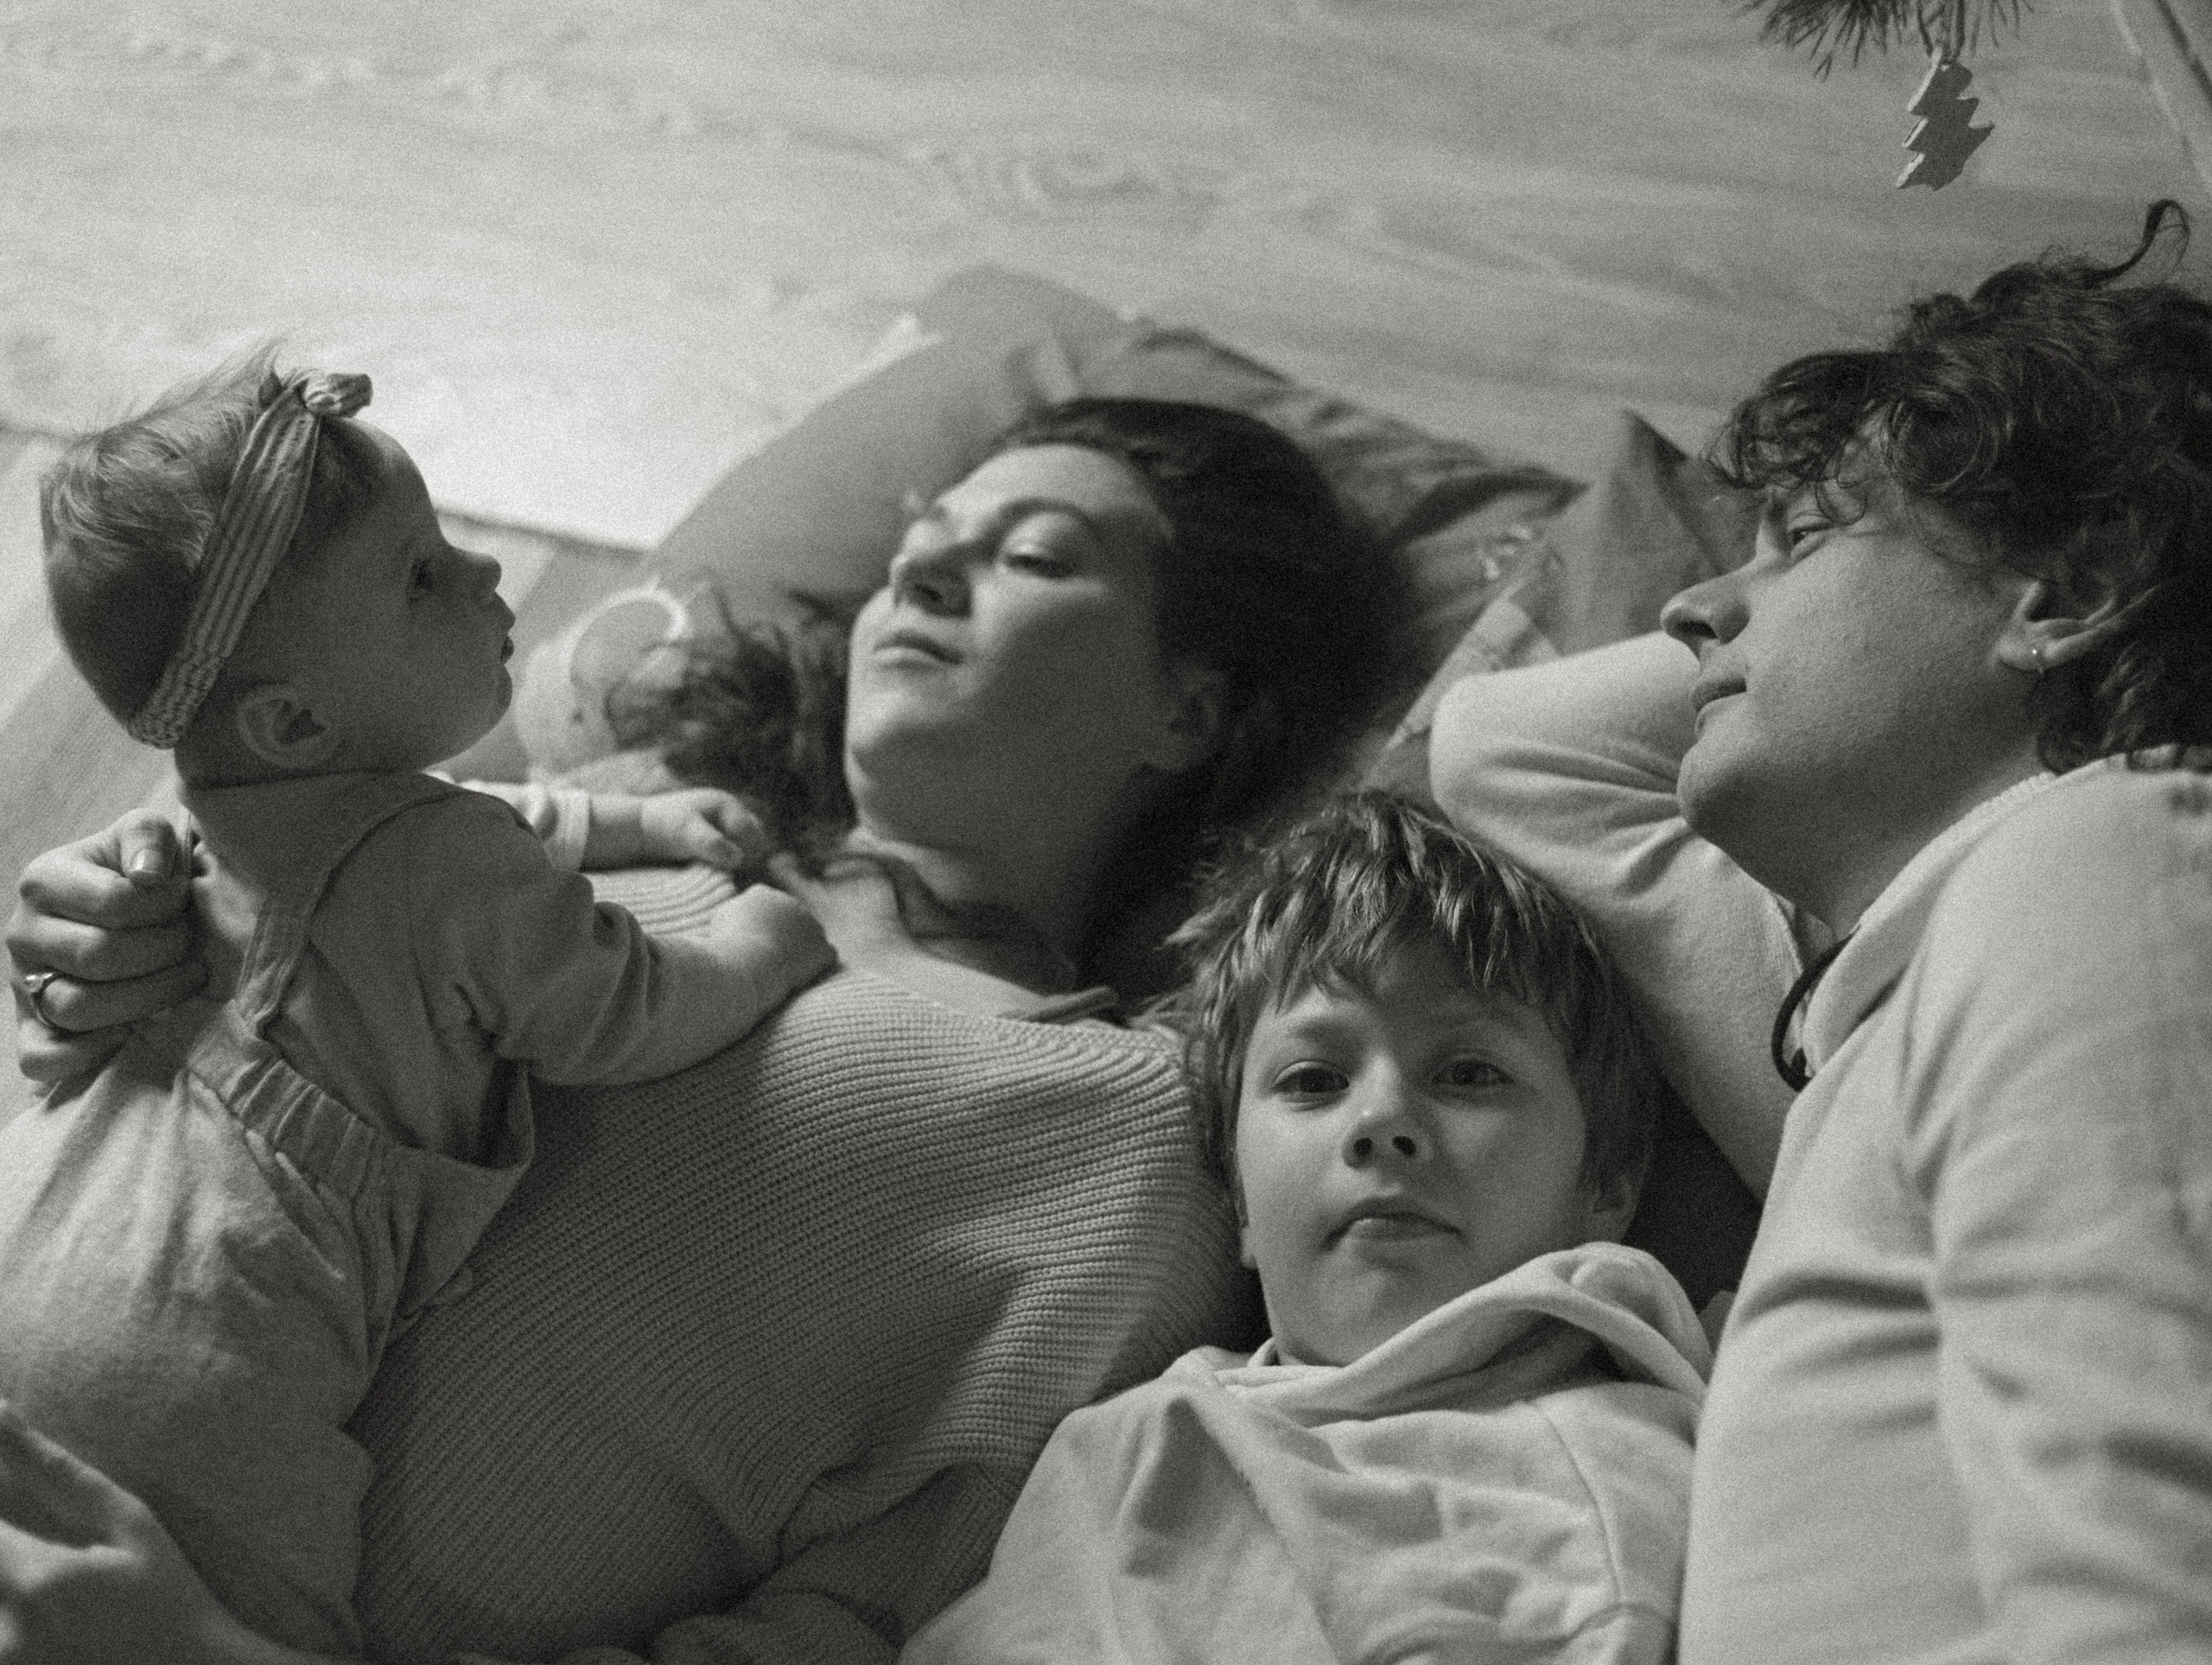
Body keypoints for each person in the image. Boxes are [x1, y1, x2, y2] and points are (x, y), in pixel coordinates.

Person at [0, 395, 1401, 1664]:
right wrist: (114, 933)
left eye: (1033, 554)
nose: (915, 572)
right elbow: (241, 981)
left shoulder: (1128, 1136)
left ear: (1188, 708)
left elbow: (846, 1629)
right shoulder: (622, 812)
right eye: (924, 536)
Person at [1433, 203, 2212, 1662]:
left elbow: (2158, 1581)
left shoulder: (2108, 861)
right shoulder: (1889, 1005)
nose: (1693, 605)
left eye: (1803, 540)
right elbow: (1498, 751)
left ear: (2071, 591)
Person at [3, 357, 835, 1656]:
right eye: (423, 577)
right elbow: (617, 1009)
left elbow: (471, 821)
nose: (490, 576)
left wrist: (630, 817)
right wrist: (762, 948)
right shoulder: (443, 865)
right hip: (179, 1336)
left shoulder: (216, 823)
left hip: (48, 1220)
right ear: (290, 718)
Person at [900, 791, 1708, 1665]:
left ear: (1608, 1181)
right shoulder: (1128, 1436)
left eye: (1470, 1072)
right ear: (1239, 1201)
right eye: (1314, 1080)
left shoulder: (1594, 1472)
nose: (1381, 1119)